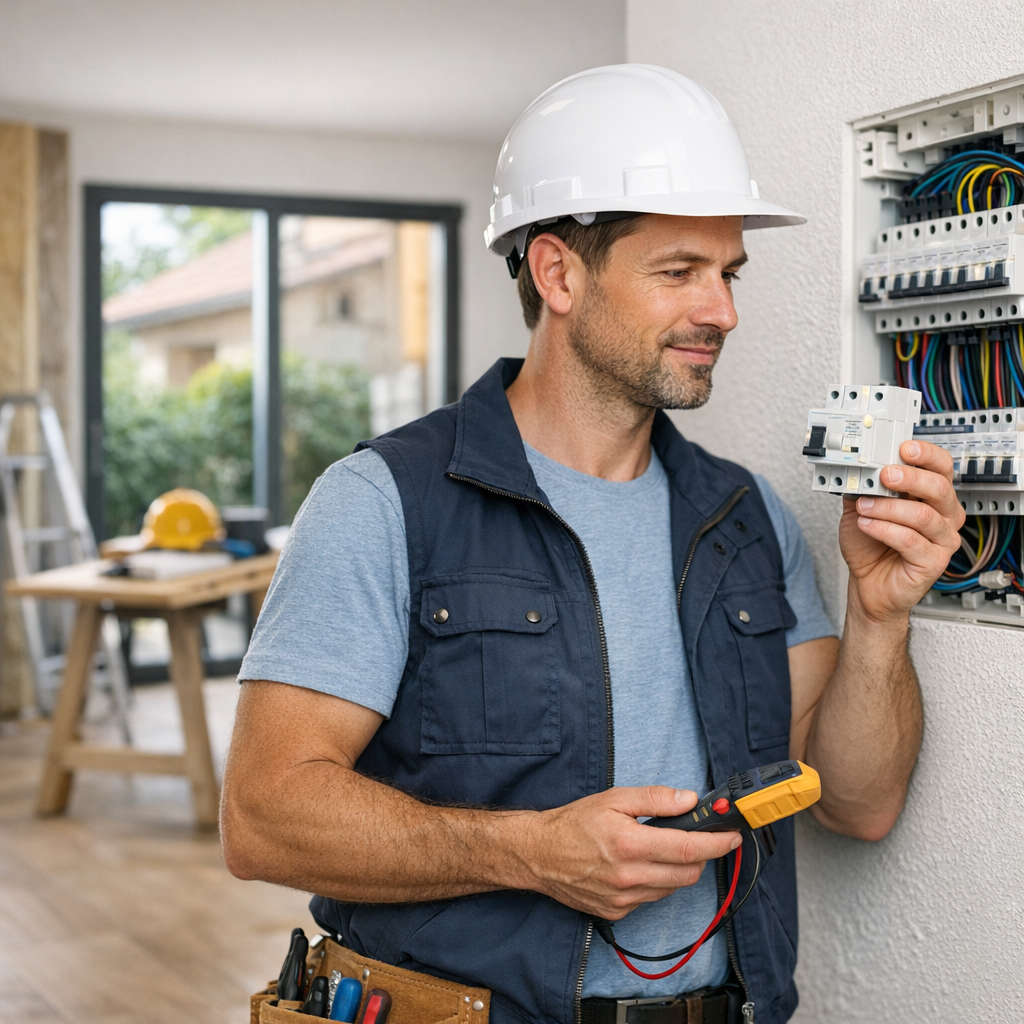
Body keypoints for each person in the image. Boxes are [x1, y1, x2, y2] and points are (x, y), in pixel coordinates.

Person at [221, 66, 963, 1024]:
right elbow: (264, 817)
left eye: (727, 274)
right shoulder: (383, 503)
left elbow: (854, 804)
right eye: (678, 272)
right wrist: (528, 851)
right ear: (557, 271)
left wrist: (878, 615)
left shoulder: (746, 518)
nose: (722, 313)